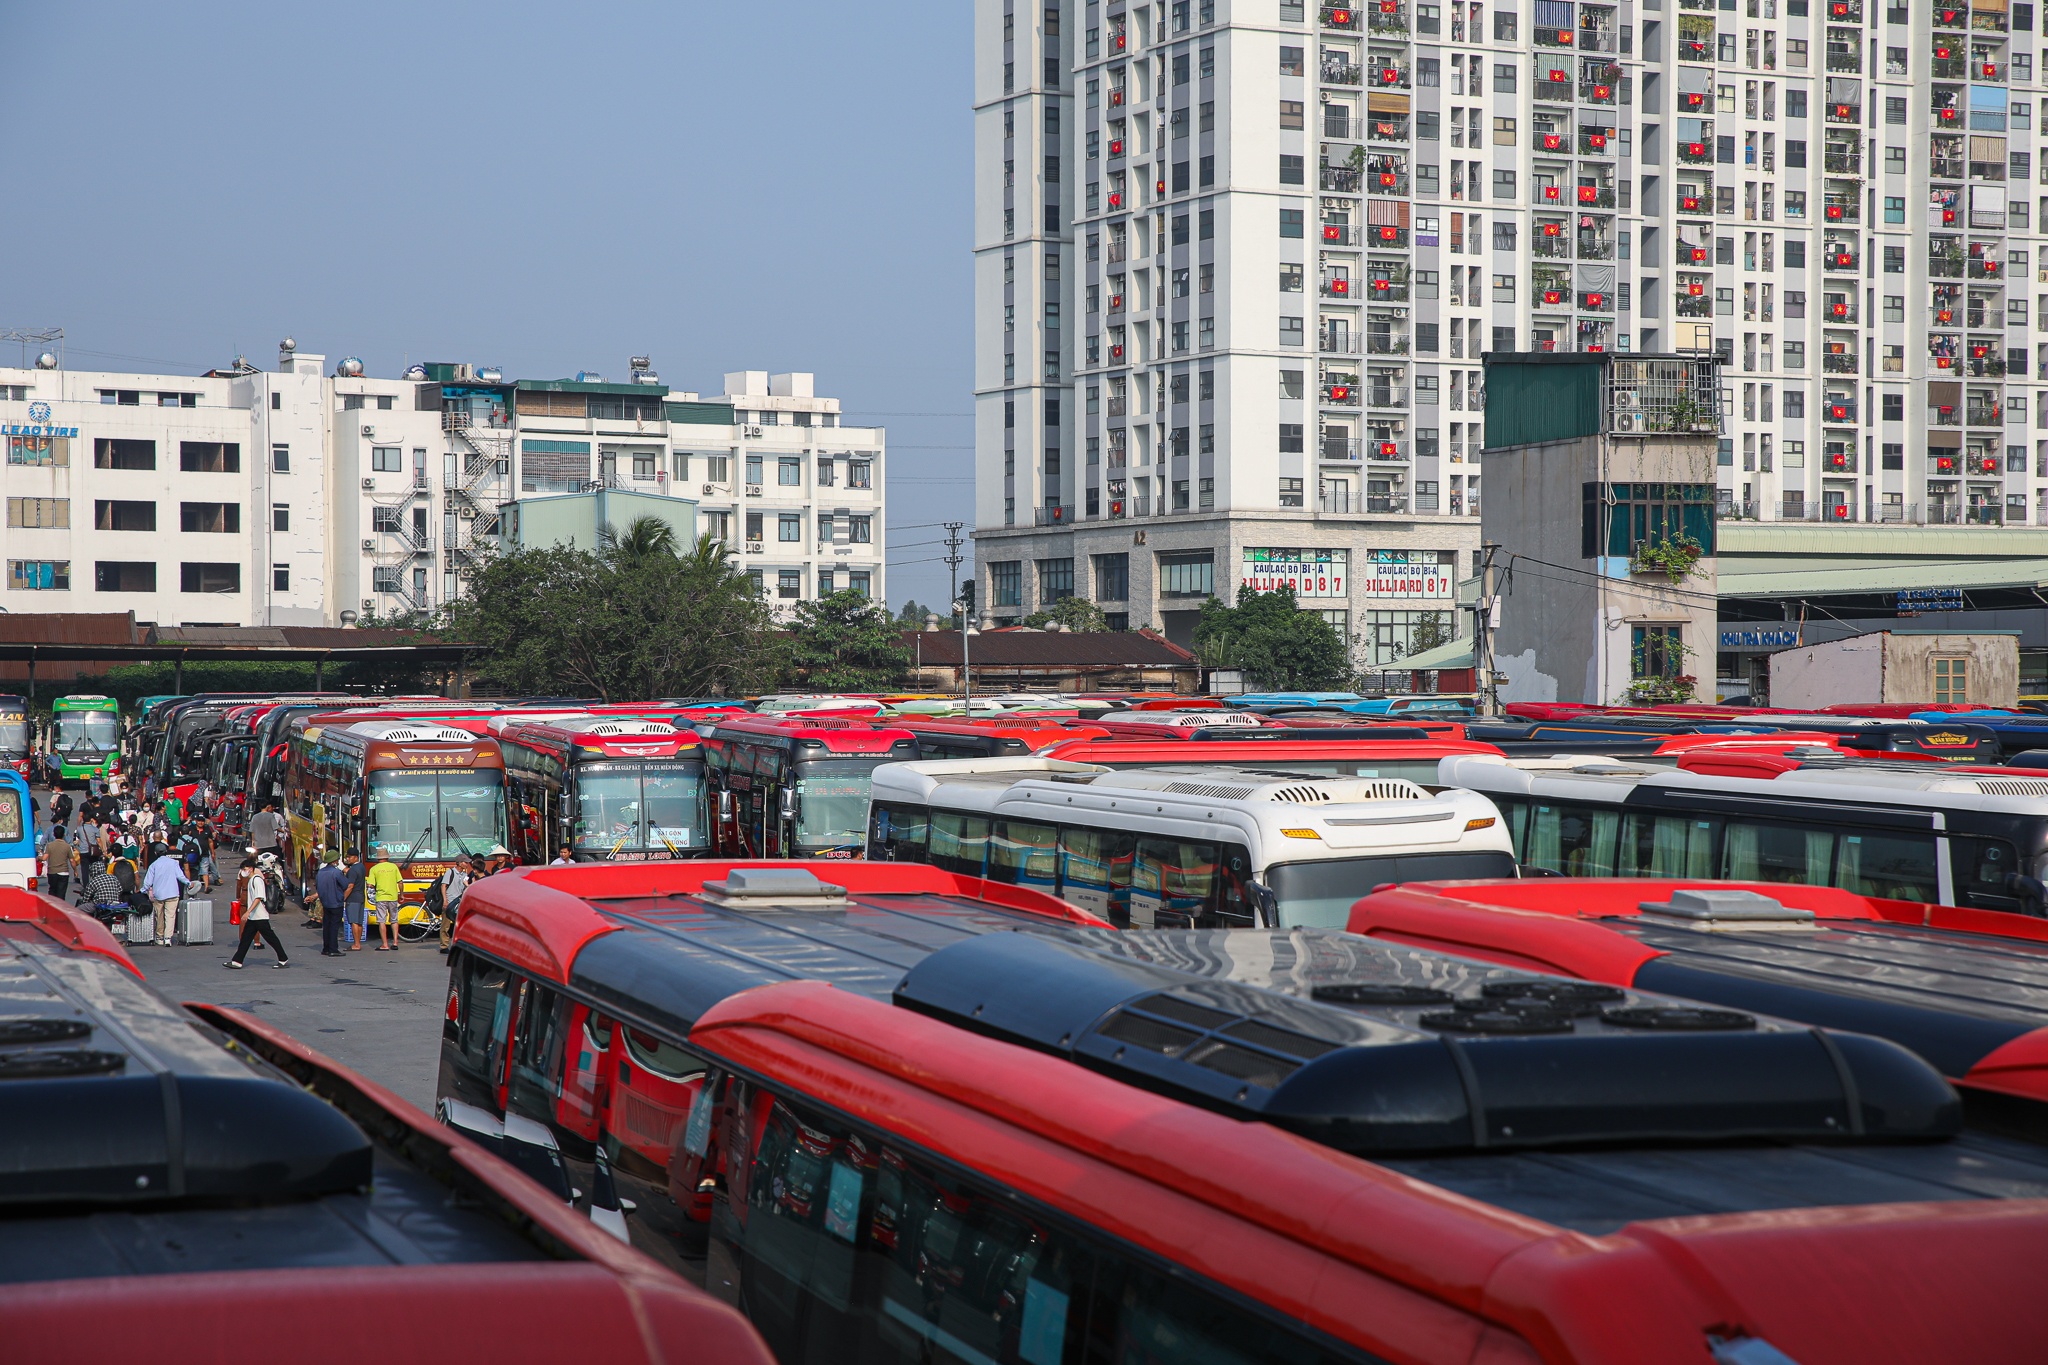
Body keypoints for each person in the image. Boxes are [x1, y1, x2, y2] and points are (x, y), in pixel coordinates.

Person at [225, 854, 289, 968]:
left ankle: (283, 958)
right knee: (246, 938)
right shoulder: (251, 880)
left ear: (250, 869)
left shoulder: (257, 880)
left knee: (270, 938)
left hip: (259, 916)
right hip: (254, 916)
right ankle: (237, 961)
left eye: (244, 870)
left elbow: (258, 898)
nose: (243, 872)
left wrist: (248, 911)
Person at [140, 844, 189, 947]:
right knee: (170, 916)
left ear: (155, 853)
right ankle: (168, 938)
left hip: (158, 894)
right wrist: (189, 883)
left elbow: (148, 882)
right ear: (166, 851)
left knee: (159, 916)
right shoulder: (173, 863)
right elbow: (180, 876)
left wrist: (142, 890)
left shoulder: (154, 865)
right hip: (173, 893)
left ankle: (160, 937)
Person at [314, 849, 349, 957]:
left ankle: (326, 948)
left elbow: (318, 886)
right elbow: (345, 885)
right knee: (334, 927)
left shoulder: (320, 872)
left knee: (327, 926)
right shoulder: (336, 872)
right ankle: (333, 949)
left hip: (325, 902)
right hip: (336, 902)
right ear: (334, 860)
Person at [366, 850, 402, 951]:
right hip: (393, 897)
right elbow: (400, 882)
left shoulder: (374, 869)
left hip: (381, 898)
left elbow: (370, 884)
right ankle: (395, 942)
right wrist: (401, 894)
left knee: (382, 921)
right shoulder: (393, 867)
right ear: (387, 857)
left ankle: (385, 944)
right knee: (394, 920)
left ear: (378, 858)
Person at [437, 856, 472, 953]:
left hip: (458, 903)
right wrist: (445, 900)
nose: (467, 864)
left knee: (459, 925)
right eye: (465, 862)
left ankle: (458, 945)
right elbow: (443, 886)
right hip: (449, 902)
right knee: (446, 925)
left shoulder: (464, 874)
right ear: (460, 863)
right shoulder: (450, 872)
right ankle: (444, 946)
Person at [341, 850, 368, 951]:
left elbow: (350, 886)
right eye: (347, 856)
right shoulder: (361, 867)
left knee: (353, 922)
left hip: (353, 898)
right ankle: (358, 942)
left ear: (356, 857)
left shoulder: (352, 870)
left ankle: (356, 944)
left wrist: (343, 898)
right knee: (359, 921)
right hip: (361, 896)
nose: (347, 858)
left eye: (350, 857)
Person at [43, 827, 73, 902]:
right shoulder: (67, 846)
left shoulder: (49, 845)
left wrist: (38, 858)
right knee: (61, 894)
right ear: (64, 835)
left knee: (52, 891)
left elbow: (44, 858)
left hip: (52, 872)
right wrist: (75, 871)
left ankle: (52, 908)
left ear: (54, 834)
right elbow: (72, 860)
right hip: (64, 872)